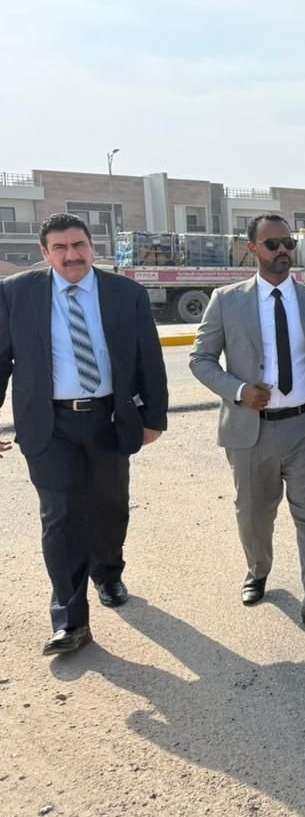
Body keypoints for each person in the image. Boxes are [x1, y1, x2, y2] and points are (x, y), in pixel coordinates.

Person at [0, 212, 168, 656]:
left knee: (109, 507)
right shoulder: (15, 293)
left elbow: (149, 358)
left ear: (93, 247)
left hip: (108, 418)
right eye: (60, 247)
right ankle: (70, 621)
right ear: (45, 253)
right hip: (48, 424)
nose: (71, 255)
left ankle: (108, 573)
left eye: (79, 245)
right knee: (60, 515)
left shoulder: (125, 293)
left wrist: (153, 417)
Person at [189, 213, 305, 630]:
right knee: (254, 514)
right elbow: (201, 359)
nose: (283, 250)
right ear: (252, 249)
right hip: (251, 428)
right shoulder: (227, 300)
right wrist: (238, 390)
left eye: (288, 243)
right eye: (272, 244)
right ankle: (258, 570)